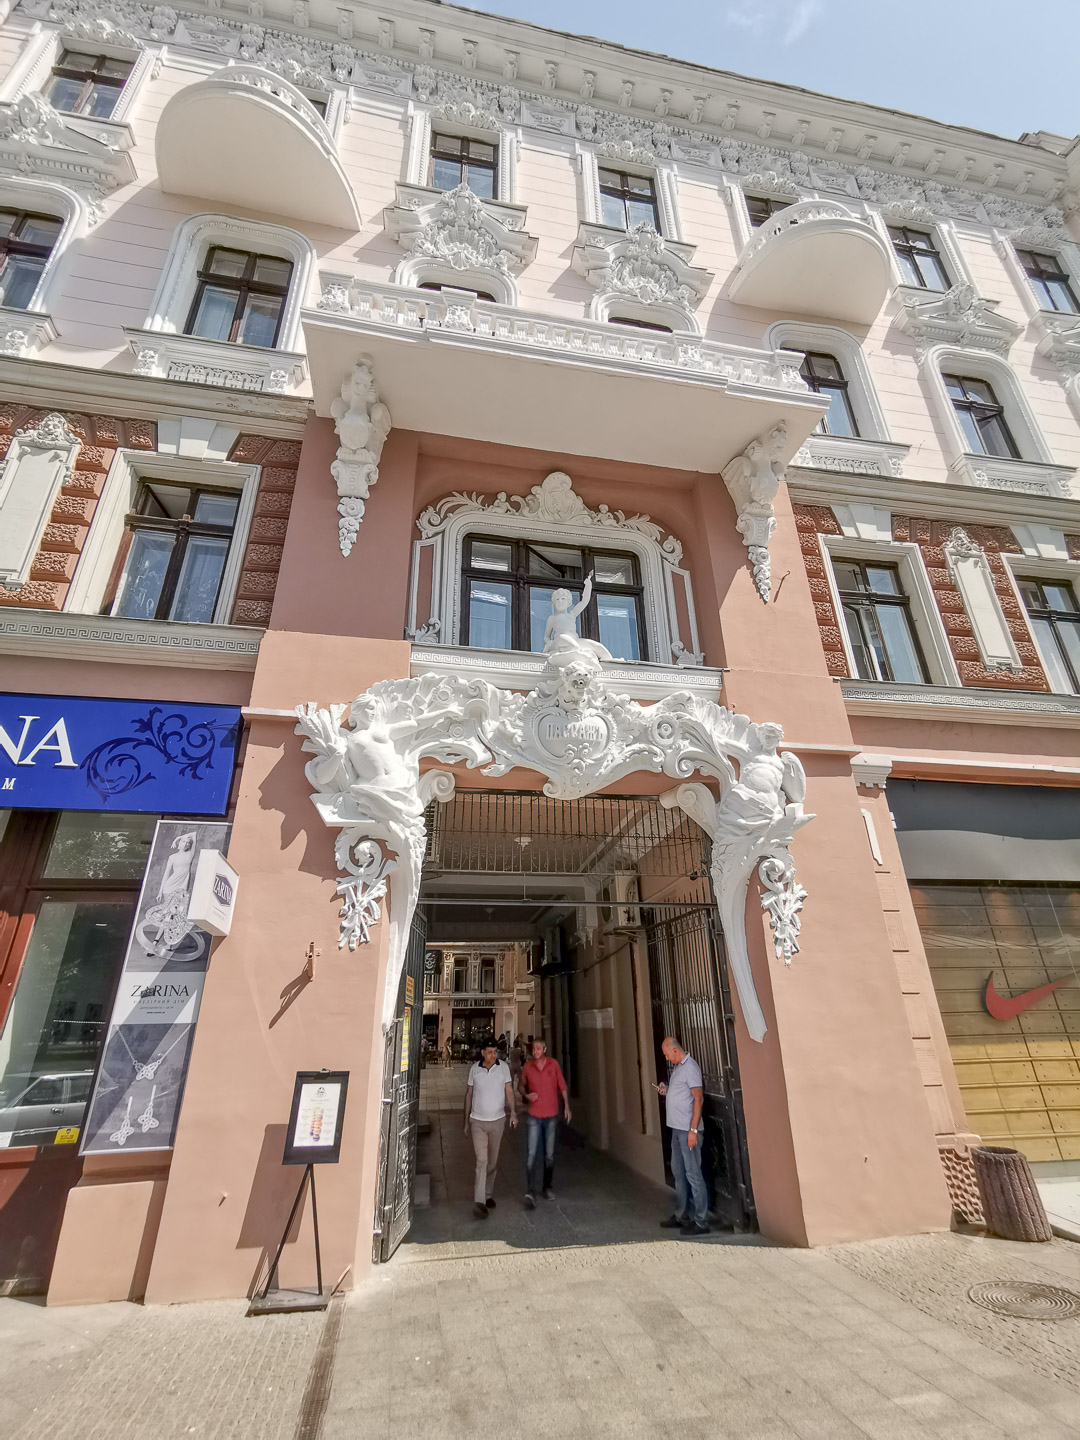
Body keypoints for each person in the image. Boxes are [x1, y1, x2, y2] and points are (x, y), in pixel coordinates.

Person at [656, 1036, 710, 1236]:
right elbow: (681, 1093)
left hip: (688, 1131)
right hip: (676, 1129)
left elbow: (698, 1099)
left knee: (693, 1174)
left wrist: (693, 1130)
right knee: (679, 1173)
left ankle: (701, 1221)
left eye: (667, 1054)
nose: (667, 1058)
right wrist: (667, 1090)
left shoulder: (691, 1068)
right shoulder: (678, 1068)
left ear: (675, 1050)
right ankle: (681, 1215)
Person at [464, 1038, 517, 1219]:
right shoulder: (474, 1069)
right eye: (489, 1052)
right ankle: (479, 1202)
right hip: (477, 1122)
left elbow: (509, 1090)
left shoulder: (503, 1068)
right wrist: (466, 1120)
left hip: (497, 1121)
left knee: (492, 1162)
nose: (493, 1055)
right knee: (482, 1160)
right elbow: (469, 1094)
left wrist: (514, 1112)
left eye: (495, 1052)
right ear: (482, 1053)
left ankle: (488, 1194)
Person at [519, 1038, 571, 1209]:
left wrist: (567, 1106)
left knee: (549, 1154)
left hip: (551, 1116)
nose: (535, 1052)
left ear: (544, 1050)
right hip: (534, 1115)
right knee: (531, 1154)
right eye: (533, 1049)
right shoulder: (528, 1067)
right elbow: (520, 1086)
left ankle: (547, 1187)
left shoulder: (553, 1065)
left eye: (538, 1049)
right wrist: (526, 1095)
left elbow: (562, 1086)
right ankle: (530, 1190)